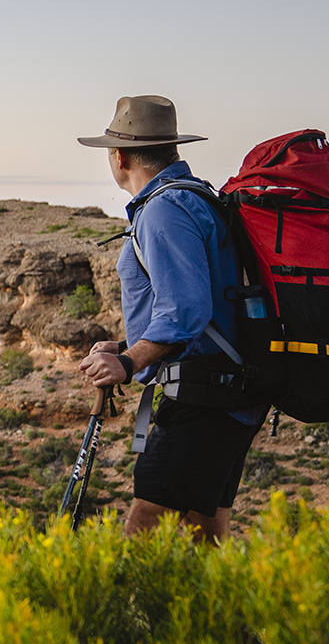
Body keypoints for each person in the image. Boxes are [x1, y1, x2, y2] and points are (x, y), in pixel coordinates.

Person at [76, 96, 267, 544]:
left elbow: (186, 310)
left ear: (119, 156)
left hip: (206, 395)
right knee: (205, 521)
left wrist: (128, 362)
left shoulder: (163, 209)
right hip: (233, 391)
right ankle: (209, 613)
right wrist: (126, 349)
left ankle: (138, 615)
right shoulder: (197, 197)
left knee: (147, 519)